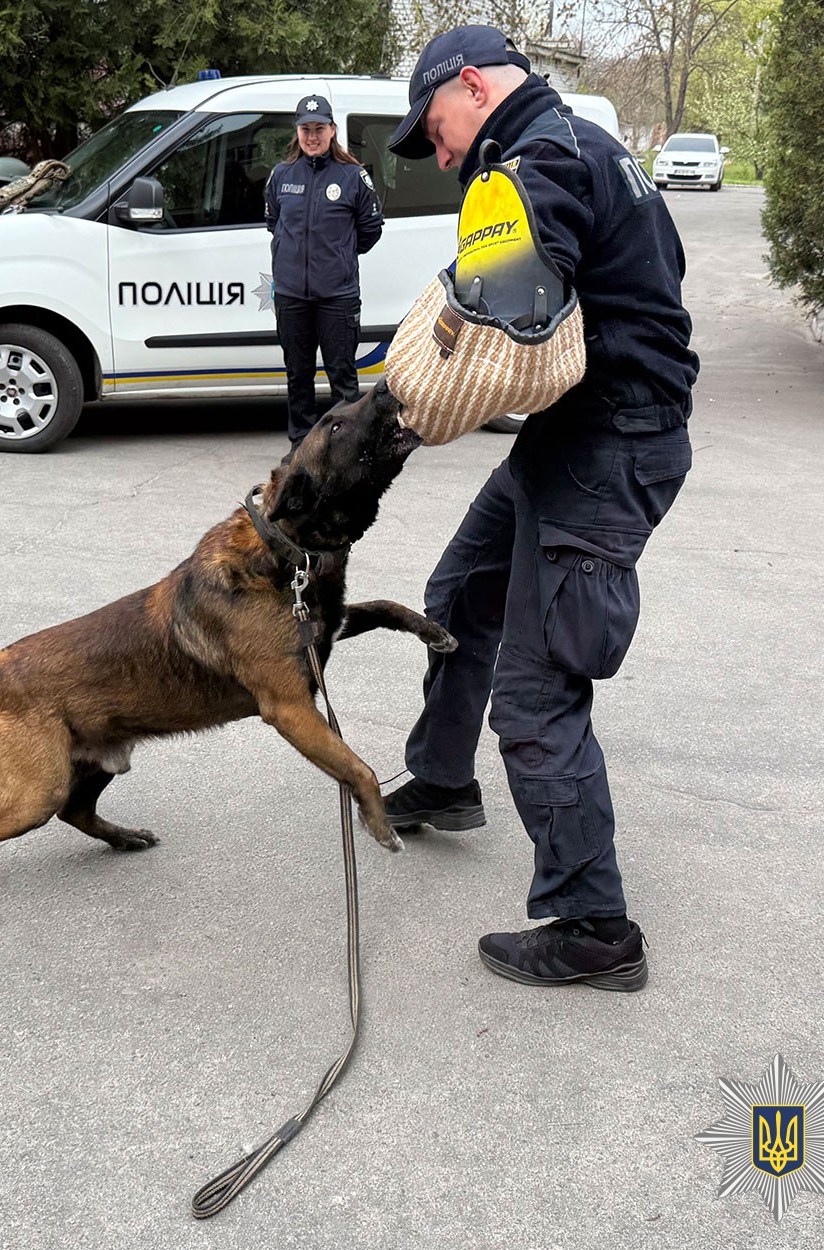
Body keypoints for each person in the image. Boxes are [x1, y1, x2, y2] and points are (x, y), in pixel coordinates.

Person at [380, 26, 699, 992]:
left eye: (434, 128)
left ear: (472, 85)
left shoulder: (541, 161)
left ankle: (596, 928)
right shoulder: (592, 148)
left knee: (537, 687)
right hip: (571, 435)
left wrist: (413, 398)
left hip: (609, 450)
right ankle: (443, 777)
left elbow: (509, 311)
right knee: (461, 593)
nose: (438, 153)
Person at [264, 95, 384, 445]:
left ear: (332, 130)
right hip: (291, 296)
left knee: (343, 380)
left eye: (319, 128)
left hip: (337, 298)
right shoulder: (281, 175)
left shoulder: (352, 177)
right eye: (306, 129)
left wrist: (338, 257)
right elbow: (273, 223)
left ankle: (345, 452)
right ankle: (300, 450)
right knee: (297, 376)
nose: (312, 136)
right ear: (297, 132)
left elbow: (370, 231)